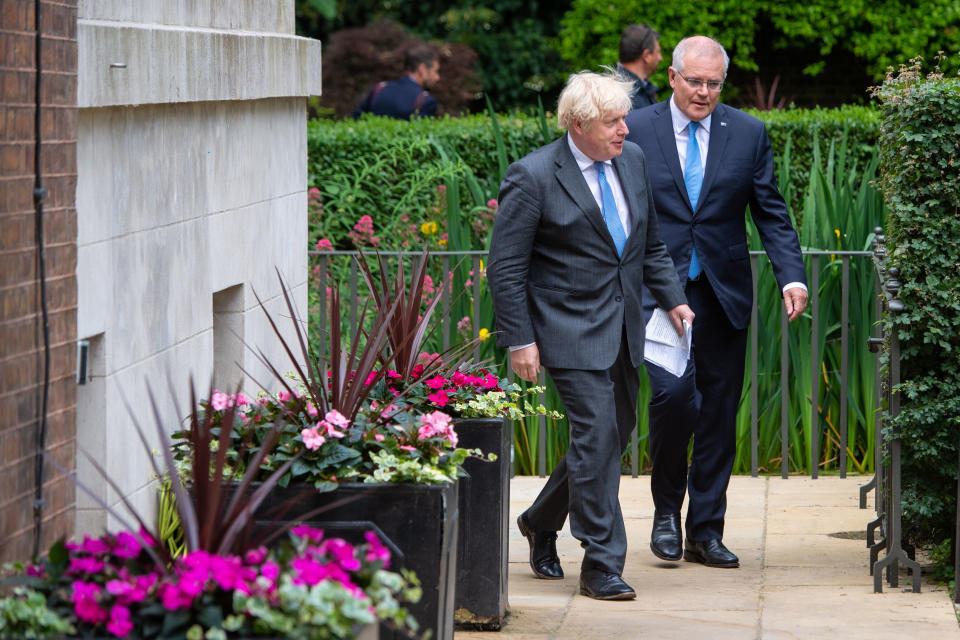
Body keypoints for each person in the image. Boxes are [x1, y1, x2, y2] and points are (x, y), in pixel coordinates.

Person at [487, 71, 694, 600]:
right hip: (566, 329)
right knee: (598, 436)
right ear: (578, 125)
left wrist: (672, 298)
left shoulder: (633, 161)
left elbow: (648, 246)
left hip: (624, 326)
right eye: (612, 121)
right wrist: (520, 339)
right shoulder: (532, 176)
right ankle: (602, 563)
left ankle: (539, 518)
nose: (625, 129)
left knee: (609, 435)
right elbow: (506, 268)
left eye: (625, 117)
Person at [624, 36, 808, 569]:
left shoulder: (746, 133)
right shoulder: (635, 129)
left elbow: (770, 212)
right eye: (694, 81)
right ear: (674, 77)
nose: (703, 92)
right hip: (657, 294)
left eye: (713, 84)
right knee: (674, 400)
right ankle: (665, 514)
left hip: (723, 293)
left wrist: (791, 277)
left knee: (720, 413)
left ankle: (704, 531)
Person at [352, 45, 440, 119]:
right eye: (435, 71)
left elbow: (356, 119)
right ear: (422, 69)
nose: (437, 77)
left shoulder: (379, 89)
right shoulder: (425, 101)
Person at [617, 24, 662, 110]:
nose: (660, 58)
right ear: (646, 56)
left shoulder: (644, 87)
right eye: (658, 52)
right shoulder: (625, 96)